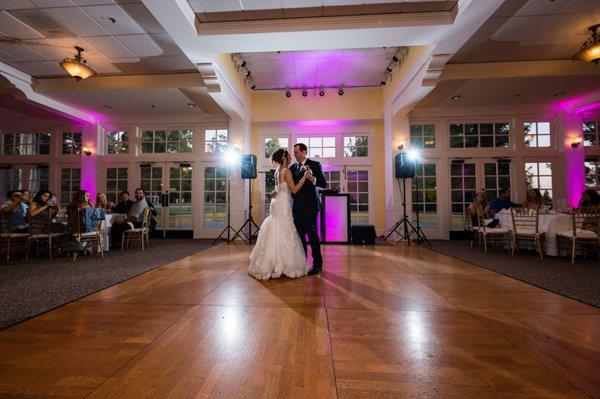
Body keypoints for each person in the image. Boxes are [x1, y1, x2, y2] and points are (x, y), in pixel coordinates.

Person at [249, 149, 310, 280]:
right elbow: (293, 189)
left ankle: (270, 263)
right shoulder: (286, 171)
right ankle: (284, 264)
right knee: (284, 230)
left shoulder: (277, 170)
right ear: (284, 157)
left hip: (276, 203)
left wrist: (274, 192)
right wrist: (304, 178)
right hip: (282, 204)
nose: (291, 157)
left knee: (276, 229)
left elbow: (278, 188)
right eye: (289, 155)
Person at [284, 143, 327, 275]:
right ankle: (302, 262)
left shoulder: (314, 164)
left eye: (296, 152)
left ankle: (317, 264)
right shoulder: (292, 167)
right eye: (294, 152)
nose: (295, 154)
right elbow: (291, 187)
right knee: (300, 236)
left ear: (304, 152)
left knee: (312, 235)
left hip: (310, 206)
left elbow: (323, 183)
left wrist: (311, 177)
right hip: (296, 207)